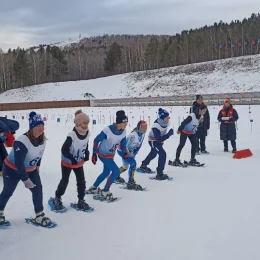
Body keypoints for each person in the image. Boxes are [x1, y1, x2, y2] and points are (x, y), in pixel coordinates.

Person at [0, 111, 54, 228]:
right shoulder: (21, 141)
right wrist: (25, 179)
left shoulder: (42, 140)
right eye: (37, 126)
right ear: (31, 127)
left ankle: (39, 215)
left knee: (38, 190)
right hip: (11, 169)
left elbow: (39, 154)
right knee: (8, 192)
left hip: (30, 169)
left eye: (42, 126)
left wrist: (37, 166)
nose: (40, 129)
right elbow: (19, 163)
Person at [49, 110, 91, 212]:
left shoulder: (87, 133)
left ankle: (81, 200)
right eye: (84, 123)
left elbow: (85, 144)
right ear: (78, 123)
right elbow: (64, 149)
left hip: (78, 162)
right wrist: (71, 159)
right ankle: (57, 197)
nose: (86, 125)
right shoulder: (72, 135)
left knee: (81, 182)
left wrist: (87, 153)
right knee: (65, 181)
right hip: (68, 162)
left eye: (87, 123)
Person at [86, 110, 128, 200]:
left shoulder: (123, 132)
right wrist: (94, 153)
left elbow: (123, 143)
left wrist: (125, 152)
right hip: (103, 154)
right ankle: (105, 190)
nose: (126, 125)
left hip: (110, 155)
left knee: (106, 172)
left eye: (126, 123)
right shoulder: (108, 130)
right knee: (116, 171)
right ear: (119, 122)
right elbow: (96, 140)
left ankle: (93, 187)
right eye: (124, 123)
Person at [138, 108, 174, 180]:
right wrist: (168, 135)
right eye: (167, 117)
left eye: (169, 117)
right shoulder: (156, 126)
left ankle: (143, 165)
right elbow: (159, 139)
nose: (168, 119)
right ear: (163, 118)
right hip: (153, 141)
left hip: (159, 141)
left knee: (153, 153)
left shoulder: (166, 122)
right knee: (162, 154)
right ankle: (159, 173)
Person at [115, 120, 147, 190]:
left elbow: (139, 144)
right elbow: (123, 145)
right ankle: (130, 183)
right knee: (133, 163)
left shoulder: (143, 134)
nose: (145, 129)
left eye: (146, 127)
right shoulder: (133, 135)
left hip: (130, 151)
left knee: (125, 167)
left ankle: (114, 176)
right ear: (139, 127)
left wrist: (135, 152)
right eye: (143, 127)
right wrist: (127, 153)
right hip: (122, 150)